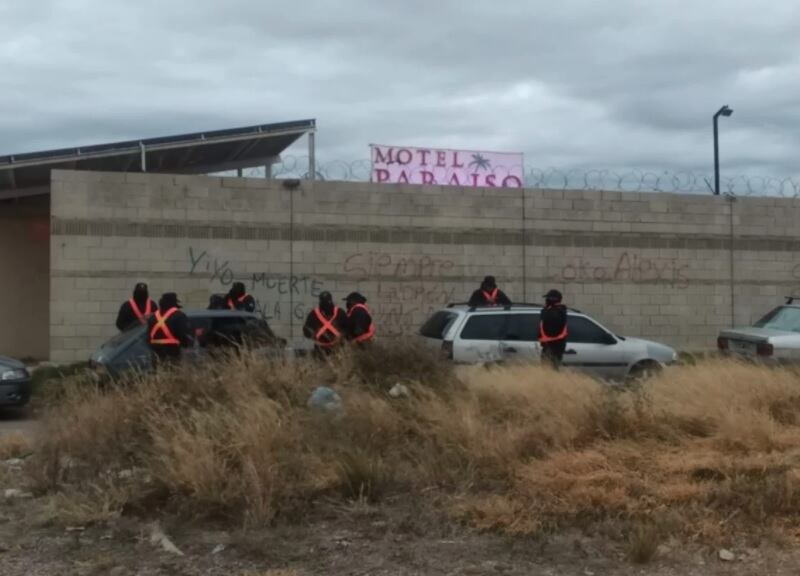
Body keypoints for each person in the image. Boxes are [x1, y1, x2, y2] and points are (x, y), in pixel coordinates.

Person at [148, 292, 192, 364]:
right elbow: (185, 336)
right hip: (173, 355)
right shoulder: (179, 315)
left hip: (155, 356)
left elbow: (148, 337)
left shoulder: (153, 317)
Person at [303, 291, 347, 355]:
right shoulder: (340, 312)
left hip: (333, 347)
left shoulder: (314, 313)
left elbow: (306, 330)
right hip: (324, 348)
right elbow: (306, 330)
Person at [539, 289, 568, 370]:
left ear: (552, 300)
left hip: (553, 348)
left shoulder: (556, 313)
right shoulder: (558, 311)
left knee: (550, 371)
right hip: (551, 347)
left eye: (547, 299)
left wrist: (545, 311)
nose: (546, 301)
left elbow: (551, 328)